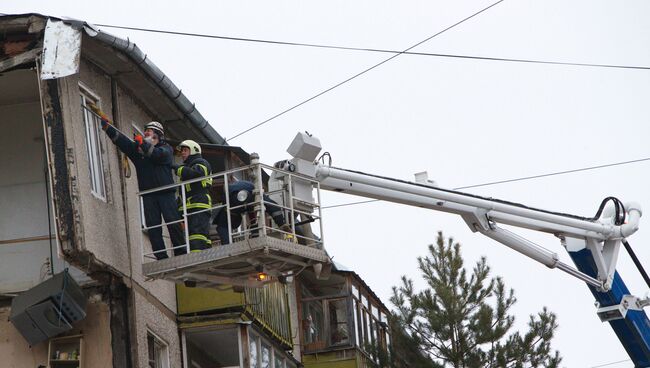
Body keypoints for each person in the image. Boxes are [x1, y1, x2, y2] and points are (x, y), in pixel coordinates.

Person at [99, 117, 184, 260]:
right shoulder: (139, 152)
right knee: (153, 228)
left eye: (149, 132)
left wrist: (143, 144)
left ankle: (181, 254)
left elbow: (156, 155)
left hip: (166, 193)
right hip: (148, 195)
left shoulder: (166, 149)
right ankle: (162, 257)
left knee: (173, 223)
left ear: (158, 134)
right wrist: (108, 128)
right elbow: (123, 142)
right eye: (145, 132)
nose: (145, 134)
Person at [213, 180, 290, 245]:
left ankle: (228, 244)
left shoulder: (253, 193)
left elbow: (272, 207)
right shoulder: (256, 194)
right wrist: (281, 224)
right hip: (238, 196)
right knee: (254, 216)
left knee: (223, 225)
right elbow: (273, 207)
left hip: (234, 197)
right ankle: (255, 238)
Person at [173, 140, 213, 252]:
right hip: (191, 205)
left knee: (197, 233)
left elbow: (197, 173)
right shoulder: (189, 166)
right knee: (200, 233)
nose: (182, 153)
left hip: (199, 203)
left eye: (185, 150)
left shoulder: (201, 162)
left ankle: (198, 258)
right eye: (182, 151)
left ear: (194, 150)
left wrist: (179, 169)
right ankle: (206, 252)